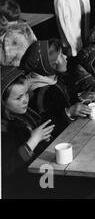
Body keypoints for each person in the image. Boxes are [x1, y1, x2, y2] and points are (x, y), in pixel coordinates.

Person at [20, 40, 92, 138]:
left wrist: (80, 98)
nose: (66, 57)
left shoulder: (56, 79)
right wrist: (69, 112)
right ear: (50, 65)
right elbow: (48, 130)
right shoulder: (39, 94)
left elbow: (64, 102)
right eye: (61, 56)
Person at [1, 66, 55, 198]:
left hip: (38, 176)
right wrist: (33, 140)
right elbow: (6, 168)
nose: (25, 100)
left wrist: (39, 138)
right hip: (19, 189)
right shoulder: (3, 130)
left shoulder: (18, 117)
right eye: (18, 98)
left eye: (26, 93)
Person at [0, 0, 37, 67]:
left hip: (19, 70)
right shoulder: (26, 27)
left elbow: (6, 61)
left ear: (3, 19)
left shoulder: (9, 36)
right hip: (32, 63)